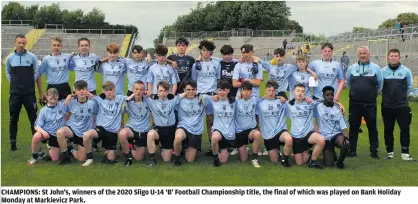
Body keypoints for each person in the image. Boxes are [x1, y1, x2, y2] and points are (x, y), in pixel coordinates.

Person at [5, 34, 43, 151]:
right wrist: (16, 84)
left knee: (33, 118)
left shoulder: (31, 57)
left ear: (26, 43)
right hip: (15, 94)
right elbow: (8, 73)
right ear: (15, 43)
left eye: (23, 43)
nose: (21, 45)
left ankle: (36, 143)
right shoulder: (10, 58)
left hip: (29, 93)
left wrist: (29, 82)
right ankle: (13, 144)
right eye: (19, 42)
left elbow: (36, 73)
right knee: (13, 118)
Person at [346, 46, 383, 158]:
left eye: (365, 53)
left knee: (372, 128)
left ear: (369, 54)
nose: (363, 55)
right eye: (361, 53)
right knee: (353, 128)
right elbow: (348, 84)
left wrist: (371, 95)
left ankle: (373, 151)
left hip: (370, 104)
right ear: (358, 55)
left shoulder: (376, 68)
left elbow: (380, 85)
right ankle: (352, 150)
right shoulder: (352, 68)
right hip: (355, 104)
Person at [82, 81, 128, 166]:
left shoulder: (120, 98)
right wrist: (69, 97)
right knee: (86, 135)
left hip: (112, 133)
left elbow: (131, 98)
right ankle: (89, 158)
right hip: (101, 129)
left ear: (114, 90)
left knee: (111, 159)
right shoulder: (99, 99)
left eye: (111, 90)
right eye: (106, 90)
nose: (109, 92)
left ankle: (108, 151)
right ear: (103, 91)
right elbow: (85, 93)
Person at [381, 49, 414, 161]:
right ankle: (390, 153)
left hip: (402, 106)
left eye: (395, 56)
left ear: (399, 58)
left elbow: (409, 87)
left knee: (405, 129)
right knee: (388, 130)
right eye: (391, 56)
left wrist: (401, 97)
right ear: (388, 57)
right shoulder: (383, 71)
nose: (393, 57)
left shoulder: (406, 71)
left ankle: (405, 154)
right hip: (387, 106)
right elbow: (380, 87)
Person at [56, 80, 98, 165]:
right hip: (72, 129)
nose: (81, 91)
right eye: (79, 89)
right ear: (75, 91)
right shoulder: (70, 102)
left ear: (87, 90)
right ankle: (65, 157)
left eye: (83, 89)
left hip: (84, 132)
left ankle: (70, 148)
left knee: (81, 159)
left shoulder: (93, 103)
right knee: (60, 132)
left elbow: (102, 106)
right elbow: (56, 106)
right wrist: (68, 98)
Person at [192, 40, 221, 155]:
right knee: (197, 121)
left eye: (208, 50)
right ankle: (195, 145)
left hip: (212, 96)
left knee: (211, 122)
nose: (206, 52)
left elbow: (218, 80)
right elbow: (194, 81)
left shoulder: (216, 64)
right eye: (203, 50)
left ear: (211, 52)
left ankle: (211, 146)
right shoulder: (196, 65)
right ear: (200, 51)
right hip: (199, 96)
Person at [286, 84, 325, 169]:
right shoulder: (288, 105)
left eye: (303, 91)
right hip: (296, 136)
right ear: (293, 92)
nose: (300, 93)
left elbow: (325, 101)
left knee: (321, 140)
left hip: (308, 134)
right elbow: (276, 100)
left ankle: (313, 162)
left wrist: (340, 105)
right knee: (299, 163)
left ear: (305, 93)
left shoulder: (310, 103)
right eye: (298, 91)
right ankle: (309, 154)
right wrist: (279, 97)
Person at [173, 80, 211, 166]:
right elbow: (168, 101)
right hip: (183, 126)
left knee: (190, 160)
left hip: (196, 131)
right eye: (188, 89)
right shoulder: (179, 100)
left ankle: (185, 148)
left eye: (193, 89)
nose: (191, 92)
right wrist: (180, 96)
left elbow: (215, 98)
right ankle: (177, 158)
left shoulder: (202, 99)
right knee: (178, 137)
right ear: (184, 90)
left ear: (196, 89)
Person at [144, 81, 181, 167]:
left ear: (168, 91)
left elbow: (184, 94)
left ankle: (162, 148)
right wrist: (147, 92)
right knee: (150, 134)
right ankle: (152, 160)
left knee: (166, 159)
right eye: (160, 91)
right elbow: (139, 92)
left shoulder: (173, 100)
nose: (162, 93)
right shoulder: (152, 101)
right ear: (157, 91)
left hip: (169, 130)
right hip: (158, 129)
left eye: (165, 91)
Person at [257, 80, 292, 167]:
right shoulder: (259, 103)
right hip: (268, 134)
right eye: (269, 90)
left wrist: (280, 97)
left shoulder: (282, 102)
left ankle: (285, 160)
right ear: (265, 90)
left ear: (276, 91)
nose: (271, 92)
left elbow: (295, 104)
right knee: (274, 160)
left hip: (280, 130)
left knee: (288, 139)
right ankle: (276, 150)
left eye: (273, 91)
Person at [27, 88, 67, 165]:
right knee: (36, 136)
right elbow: (37, 126)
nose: (53, 101)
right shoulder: (43, 110)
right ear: (47, 97)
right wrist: (44, 132)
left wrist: (69, 97)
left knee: (55, 159)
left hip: (58, 135)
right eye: (51, 98)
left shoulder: (62, 105)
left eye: (55, 98)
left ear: (58, 97)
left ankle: (63, 145)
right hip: (47, 133)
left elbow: (75, 99)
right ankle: (34, 157)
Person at [315, 86, 349, 169]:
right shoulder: (317, 107)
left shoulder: (338, 109)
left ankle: (340, 162)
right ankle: (331, 153)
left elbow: (343, 127)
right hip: (325, 138)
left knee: (345, 144)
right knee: (328, 164)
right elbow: (306, 100)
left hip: (336, 135)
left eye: (331, 95)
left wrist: (346, 137)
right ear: (323, 96)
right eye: (327, 95)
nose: (329, 96)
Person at [119, 81, 151, 166]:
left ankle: (131, 147)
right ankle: (128, 157)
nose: (138, 91)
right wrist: (122, 126)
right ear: (133, 89)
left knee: (139, 158)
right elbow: (121, 112)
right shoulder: (128, 101)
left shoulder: (149, 101)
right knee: (122, 134)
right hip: (131, 128)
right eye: (136, 89)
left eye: (141, 89)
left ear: (144, 90)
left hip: (143, 130)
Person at [233, 81, 263, 168]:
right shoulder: (235, 102)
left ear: (251, 91)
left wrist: (280, 97)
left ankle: (255, 159)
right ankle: (244, 149)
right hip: (240, 132)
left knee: (257, 134)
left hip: (251, 130)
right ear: (241, 91)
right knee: (244, 159)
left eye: (249, 90)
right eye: (244, 90)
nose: (246, 92)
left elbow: (268, 97)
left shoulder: (254, 100)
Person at [210, 80, 236, 167]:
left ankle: (227, 148)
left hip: (230, 132)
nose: (222, 92)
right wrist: (211, 97)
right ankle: (215, 158)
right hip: (218, 129)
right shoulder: (212, 101)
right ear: (217, 91)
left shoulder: (234, 101)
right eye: (220, 90)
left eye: (224, 90)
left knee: (224, 160)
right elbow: (198, 96)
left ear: (228, 90)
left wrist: (278, 97)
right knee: (214, 137)